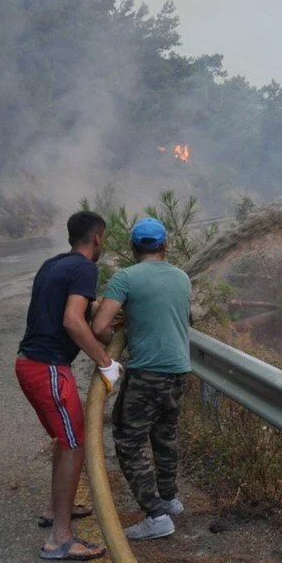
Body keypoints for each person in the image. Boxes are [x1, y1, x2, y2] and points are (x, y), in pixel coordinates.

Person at [16, 210, 123, 561]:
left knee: (66, 439)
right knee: (75, 443)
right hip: (48, 368)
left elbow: (69, 308)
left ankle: (54, 509)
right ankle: (60, 538)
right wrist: (106, 363)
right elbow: (72, 321)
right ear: (97, 238)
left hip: (29, 365)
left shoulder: (54, 264)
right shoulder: (85, 268)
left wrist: (102, 312)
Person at [93, 217, 192, 541]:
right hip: (179, 372)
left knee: (128, 441)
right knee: (165, 437)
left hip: (148, 374)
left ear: (133, 247)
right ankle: (169, 499)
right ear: (165, 245)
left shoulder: (126, 278)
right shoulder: (181, 277)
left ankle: (156, 515)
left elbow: (99, 326)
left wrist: (117, 334)